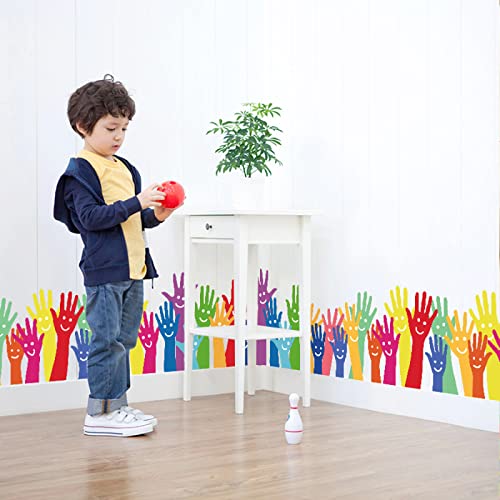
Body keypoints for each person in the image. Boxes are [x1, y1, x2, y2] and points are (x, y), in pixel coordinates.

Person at [54, 74, 179, 437]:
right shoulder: (79, 172)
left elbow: (133, 220)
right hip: (104, 272)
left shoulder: (125, 169)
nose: (119, 136)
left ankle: (118, 406)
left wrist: (155, 213)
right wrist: (136, 203)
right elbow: (90, 219)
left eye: (123, 128)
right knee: (105, 341)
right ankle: (99, 411)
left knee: (124, 341)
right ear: (82, 126)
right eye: (111, 128)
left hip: (133, 269)